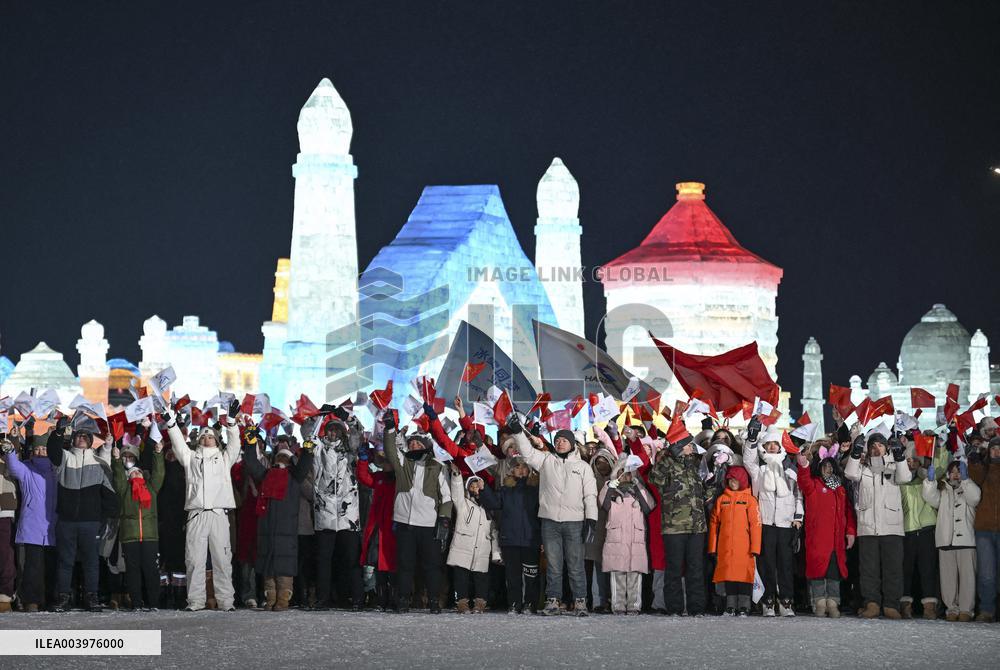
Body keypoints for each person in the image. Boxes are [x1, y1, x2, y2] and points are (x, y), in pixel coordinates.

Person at [511, 416, 597, 617]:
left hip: (575, 522)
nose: (559, 443)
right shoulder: (546, 460)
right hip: (550, 521)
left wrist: (591, 519)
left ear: (572, 444)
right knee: (553, 564)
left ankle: (580, 601)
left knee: (575, 564)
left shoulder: (583, 467)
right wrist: (517, 432)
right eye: (557, 440)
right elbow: (527, 453)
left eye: (564, 440)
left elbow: (590, 495)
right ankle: (553, 600)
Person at [164, 400, 242, 612]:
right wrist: (171, 424)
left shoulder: (224, 458)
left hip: (218, 514)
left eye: (210, 437)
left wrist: (232, 423)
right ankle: (196, 601)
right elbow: (179, 445)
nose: (207, 440)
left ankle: (226, 601)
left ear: (216, 439)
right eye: (203, 437)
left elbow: (235, 445)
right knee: (194, 560)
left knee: (222, 560)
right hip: (197, 514)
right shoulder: (190, 458)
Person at [381, 410, 453, 613]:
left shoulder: (437, 466)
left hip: (428, 525)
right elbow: (390, 450)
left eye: (417, 443)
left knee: (432, 566)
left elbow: (446, 496)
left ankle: (433, 600)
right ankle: (403, 599)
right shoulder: (403, 463)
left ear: (425, 447)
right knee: (405, 565)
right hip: (405, 523)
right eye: (411, 443)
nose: (413, 445)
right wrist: (390, 429)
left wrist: (444, 519)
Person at [47, 418, 119, 612]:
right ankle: (63, 598)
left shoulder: (100, 463)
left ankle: (91, 597)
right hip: (66, 520)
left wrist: (107, 519)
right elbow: (52, 451)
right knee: (65, 561)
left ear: (90, 441)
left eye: (86, 436)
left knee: (91, 562)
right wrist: (58, 432)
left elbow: (109, 495)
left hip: (91, 522)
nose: (81, 438)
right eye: (78, 436)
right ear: (73, 439)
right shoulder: (65, 458)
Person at [240, 427, 314, 611]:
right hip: (266, 527)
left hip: (286, 529)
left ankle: (283, 599)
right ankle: (270, 597)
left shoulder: (294, 477)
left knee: (284, 565)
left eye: (285, 457)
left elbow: (304, 466)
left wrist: (307, 450)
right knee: (268, 564)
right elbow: (251, 463)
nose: (282, 459)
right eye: (279, 456)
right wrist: (250, 443)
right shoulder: (266, 475)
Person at [844, 431, 911, 619]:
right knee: (868, 569)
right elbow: (849, 473)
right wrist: (855, 452)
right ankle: (872, 603)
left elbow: (905, 477)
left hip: (892, 526)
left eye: (880, 445)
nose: (876, 449)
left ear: (886, 448)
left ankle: (891, 605)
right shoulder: (863, 468)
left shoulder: (894, 466)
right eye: (872, 446)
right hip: (868, 527)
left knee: (893, 569)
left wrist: (899, 455)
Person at [649, 423, 710, 616]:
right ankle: (674, 607)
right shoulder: (666, 463)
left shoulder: (696, 463)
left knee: (696, 568)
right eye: (688, 443)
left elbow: (706, 486)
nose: (692, 446)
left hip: (697, 526)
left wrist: (710, 490)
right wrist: (670, 456)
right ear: (679, 445)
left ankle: (696, 608)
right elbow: (654, 478)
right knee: (674, 569)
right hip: (674, 526)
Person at [742, 423, 803, 617]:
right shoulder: (759, 469)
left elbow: (798, 494)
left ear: (780, 446)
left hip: (786, 523)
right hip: (766, 523)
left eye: (775, 444)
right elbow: (748, 460)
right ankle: (768, 601)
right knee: (767, 564)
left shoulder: (789, 468)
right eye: (768, 444)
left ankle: (786, 601)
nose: (772, 447)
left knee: (786, 565)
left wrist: (798, 516)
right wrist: (751, 440)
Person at [310, 412, 364, 610]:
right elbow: (308, 434)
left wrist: (348, 418)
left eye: (337, 430)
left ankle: (356, 598)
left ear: (342, 432)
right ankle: (323, 599)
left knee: (351, 559)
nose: (333, 433)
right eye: (330, 429)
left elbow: (358, 432)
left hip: (348, 515)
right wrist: (318, 418)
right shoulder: (319, 449)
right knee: (323, 561)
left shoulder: (350, 450)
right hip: (324, 513)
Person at [796, 443, 855, 617]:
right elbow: (804, 481)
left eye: (831, 466)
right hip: (818, 538)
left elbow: (848, 512)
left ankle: (833, 603)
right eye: (825, 466)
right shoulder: (813, 485)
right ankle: (819, 602)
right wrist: (803, 464)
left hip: (836, 540)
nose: (828, 469)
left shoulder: (840, 489)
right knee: (817, 571)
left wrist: (850, 531)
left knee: (834, 572)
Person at [1, 430, 57, 612]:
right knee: (33, 567)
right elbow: (13, 466)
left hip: (53, 525)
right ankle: (31, 600)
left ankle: (50, 598)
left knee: (51, 566)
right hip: (32, 525)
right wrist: (10, 450)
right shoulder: (26, 469)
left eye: (44, 449)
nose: (41, 452)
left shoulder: (56, 470)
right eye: (37, 449)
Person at [478, 454, 541, 615]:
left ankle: (530, 603)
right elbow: (493, 503)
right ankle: (514, 603)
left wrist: (542, 539)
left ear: (529, 470)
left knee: (531, 575)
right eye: (517, 467)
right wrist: (484, 489)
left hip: (531, 539)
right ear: (511, 471)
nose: (521, 470)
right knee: (512, 575)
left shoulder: (537, 490)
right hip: (510, 539)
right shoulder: (505, 490)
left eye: (524, 467)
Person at [923, 458, 981, 621]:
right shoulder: (943, 491)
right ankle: (951, 609)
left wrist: (966, 481)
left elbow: (975, 498)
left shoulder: (969, 487)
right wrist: (930, 482)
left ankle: (966, 610)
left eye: (959, 471)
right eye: (953, 472)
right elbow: (930, 497)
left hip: (966, 541)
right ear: (948, 474)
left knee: (968, 578)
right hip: (946, 540)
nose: (956, 475)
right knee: (948, 578)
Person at [111, 437, 165, 610]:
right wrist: (116, 460)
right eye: (133, 473)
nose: (136, 474)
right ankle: (136, 602)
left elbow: (159, 474)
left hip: (150, 537)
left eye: (139, 472)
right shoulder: (124, 489)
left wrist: (158, 454)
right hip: (130, 537)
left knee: (151, 570)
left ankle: (154, 603)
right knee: (132, 571)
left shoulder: (151, 488)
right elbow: (118, 476)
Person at [898, 434, 947, 619]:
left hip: (927, 529)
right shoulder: (900, 481)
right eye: (908, 460)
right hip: (907, 530)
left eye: (914, 460)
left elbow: (940, 467)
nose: (911, 463)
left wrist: (940, 447)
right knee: (906, 570)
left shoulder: (927, 479)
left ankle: (929, 606)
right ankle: (905, 605)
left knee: (928, 569)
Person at [598, 454, 654, 614]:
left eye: (629, 473)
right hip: (616, 540)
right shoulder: (611, 490)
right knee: (618, 574)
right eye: (622, 472)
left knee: (635, 575)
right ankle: (618, 605)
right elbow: (603, 505)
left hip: (635, 541)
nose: (625, 476)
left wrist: (637, 485)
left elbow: (649, 506)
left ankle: (634, 606)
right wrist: (609, 487)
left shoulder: (639, 490)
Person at [707, 465, 761, 616]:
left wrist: (755, 548)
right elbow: (714, 523)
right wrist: (712, 547)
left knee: (744, 576)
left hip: (744, 547)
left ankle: (744, 606)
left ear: (742, 481)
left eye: (735, 480)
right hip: (725, 546)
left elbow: (756, 525)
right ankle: (730, 606)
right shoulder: (722, 499)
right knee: (728, 575)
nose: (732, 483)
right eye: (730, 480)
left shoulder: (750, 500)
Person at [446, 467, 495, 613]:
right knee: (461, 576)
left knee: (481, 577)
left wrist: (496, 552)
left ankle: (480, 602)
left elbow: (494, 530)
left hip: (482, 547)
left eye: (477, 486)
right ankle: (462, 602)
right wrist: (456, 475)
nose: (475, 489)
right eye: (472, 486)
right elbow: (456, 492)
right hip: (463, 546)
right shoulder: (463, 503)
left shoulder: (489, 507)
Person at [355, 441, 397, 611]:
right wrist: (363, 460)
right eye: (383, 462)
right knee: (378, 565)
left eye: (388, 462)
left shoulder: (400, 480)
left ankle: (393, 599)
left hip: (393, 528)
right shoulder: (379, 478)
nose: (385, 465)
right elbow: (363, 477)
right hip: (378, 528)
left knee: (392, 565)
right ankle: (381, 599)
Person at [969, 436, 1000, 621]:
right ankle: (986, 609)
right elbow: (976, 477)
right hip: (984, 529)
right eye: (994, 448)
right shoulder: (984, 468)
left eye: (999, 448)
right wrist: (974, 460)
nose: (997, 451)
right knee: (986, 574)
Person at [0, 434, 20, 613]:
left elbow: (15, 462)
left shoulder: (8, 454)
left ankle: (5, 595)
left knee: (5, 553)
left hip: (5, 510)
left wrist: (13, 439)